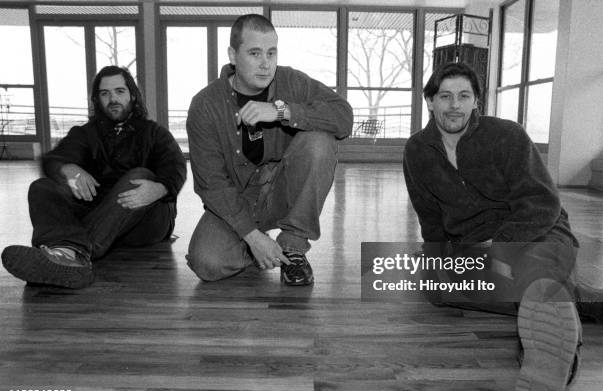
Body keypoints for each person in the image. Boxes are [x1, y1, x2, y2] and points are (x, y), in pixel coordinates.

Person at [403, 62, 603, 391]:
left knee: (537, 266)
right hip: (474, 244)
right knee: (435, 286)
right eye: (445, 96)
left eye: (463, 96)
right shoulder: (417, 151)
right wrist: (437, 254)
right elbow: (430, 215)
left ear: (476, 102)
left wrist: (498, 246)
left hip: (536, 229)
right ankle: (564, 304)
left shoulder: (506, 135)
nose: (454, 105)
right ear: (430, 101)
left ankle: (559, 352)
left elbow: (542, 202)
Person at [186, 14, 353, 286]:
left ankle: (293, 247)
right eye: (254, 53)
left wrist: (282, 112)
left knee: (320, 141)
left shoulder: (292, 82)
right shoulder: (205, 105)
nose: (266, 64)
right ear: (233, 55)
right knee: (207, 264)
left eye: (271, 53)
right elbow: (211, 183)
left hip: (283, 188)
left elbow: (344, 117)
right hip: (237, 197)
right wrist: (252, 236)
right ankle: (258, 246)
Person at [1, 66, 187, 289]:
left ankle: (71, 251)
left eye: (119, 91)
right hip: (99, 211)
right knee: (42, 187)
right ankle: (67, 255)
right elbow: (54, 159)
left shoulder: (154, 132)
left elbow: (176, 166)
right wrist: (68, 168)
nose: (113, 99)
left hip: (146, 217)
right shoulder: (86, 133)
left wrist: (159, 189)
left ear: (132, 95)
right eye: (105, 93)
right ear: (97, 99)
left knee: (139, 176)